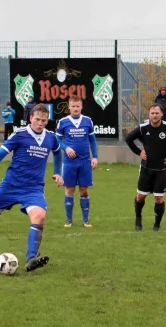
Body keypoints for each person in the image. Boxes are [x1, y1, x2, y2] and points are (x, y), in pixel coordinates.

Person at [0, 104, 63, 273]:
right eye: (37, 119)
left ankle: (31, 258)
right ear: (31, 118)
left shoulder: (51, 138)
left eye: (44, 120)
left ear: (47, 121)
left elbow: (58, 152)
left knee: (39, 216)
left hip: (34, 189)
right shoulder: (19, 135)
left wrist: (57, 172)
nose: (40, 123)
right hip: (10, 186)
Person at [125, 104, 166, 231]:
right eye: (152, 113)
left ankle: (157, 225)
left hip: (161, 170)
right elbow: (128, 138)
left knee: (158, 198)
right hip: (146, 169)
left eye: (157, 113)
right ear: (149, 114)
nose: (154, 115)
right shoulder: (143, 128)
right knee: (140, 197)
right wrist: (139, 152)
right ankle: (138, 219)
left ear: (161, 114)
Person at [56, 95, 98, 228]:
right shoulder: (63, 122)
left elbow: (92, 140)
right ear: (69, 107)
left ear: (81, 106)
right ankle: (69, 221)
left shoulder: (87, 121)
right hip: (69, 162)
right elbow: (56, 140)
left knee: (84, 190)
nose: (75, 108)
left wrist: (95, 157)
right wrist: (65, 147)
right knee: (69, 189)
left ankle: (86, 221)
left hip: (85, 161)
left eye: (77, 106)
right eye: (73, 106)